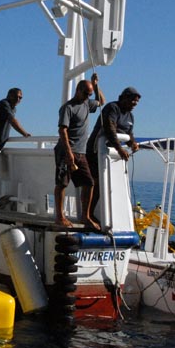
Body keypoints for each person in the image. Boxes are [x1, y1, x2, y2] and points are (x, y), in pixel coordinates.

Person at [54, 72, 104, 230]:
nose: (87, 97)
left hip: (80, 153)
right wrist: (68, 153)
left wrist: (95, 85)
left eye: (89, 94)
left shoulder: (86, 104)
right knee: (62, 183)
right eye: (86, 93)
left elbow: (101, 101)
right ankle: (60, 217)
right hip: (65, 151)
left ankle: (86, 216)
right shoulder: (68, 108)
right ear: (78, 90)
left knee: (89, 182)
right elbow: (63, 131)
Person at [86, 86, 141, 221]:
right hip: (95, 150)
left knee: (105, 184)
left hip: (110, 155)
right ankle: (88, 214)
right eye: (132, 101)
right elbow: (110, 129)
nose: (135, 104)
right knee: (95, 183)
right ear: (124, 98)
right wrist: (120, 149)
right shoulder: (112, 108)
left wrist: (132, 143)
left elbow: (128, 133)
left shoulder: (130, 116)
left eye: (137, 102)